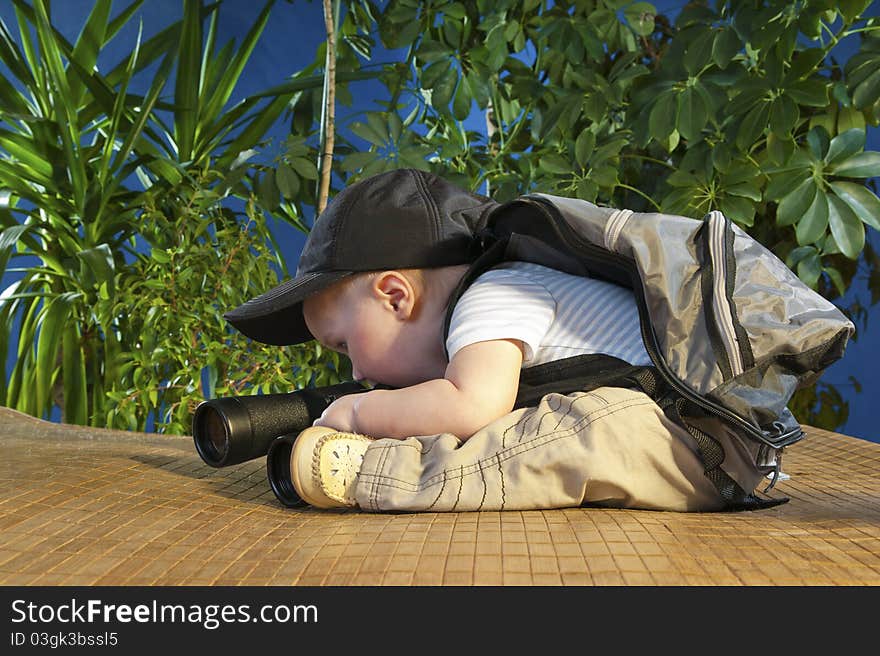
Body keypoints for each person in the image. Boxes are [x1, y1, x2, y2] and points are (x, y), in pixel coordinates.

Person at [225, 169, 767, 513]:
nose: (357, 370)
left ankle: (382, 475)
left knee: (545, 438)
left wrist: (358, 415)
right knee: (536, 429)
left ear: (395, 296)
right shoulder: (487, 308)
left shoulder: (490, 296)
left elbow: (471, 406)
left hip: (699, 441)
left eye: (343, 344)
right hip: (696, 440)